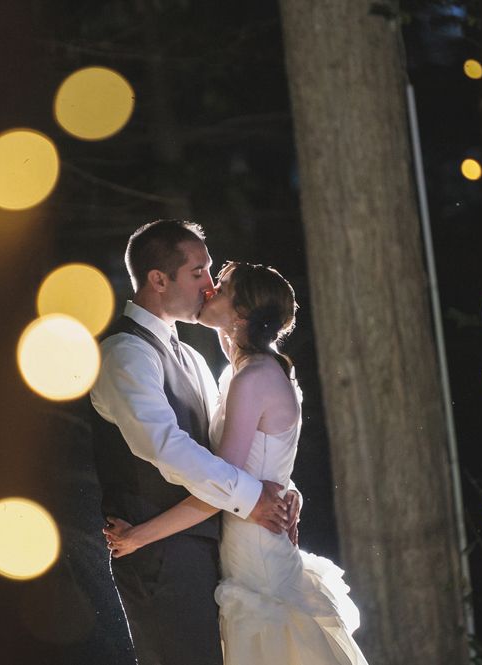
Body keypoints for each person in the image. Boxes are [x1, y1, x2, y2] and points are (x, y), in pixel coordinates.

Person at [104, 261, 369, 665]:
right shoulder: (243, 371)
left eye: (222, 288)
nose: (209, 289)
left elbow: (223, 485)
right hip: (242, 551)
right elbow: (250, 469)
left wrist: (139, 536)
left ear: (242, 313)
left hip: (255, 560)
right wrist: (286, 488)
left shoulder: (252, 378)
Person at [89, 220, 302, 665]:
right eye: (199, 272)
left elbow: (229, 449)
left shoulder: (190, 358)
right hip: (162, 559)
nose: (208, 285)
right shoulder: (126, 354)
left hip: (210, 553)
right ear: (158, 279)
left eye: (211, 274)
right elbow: (168, 448)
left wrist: (280, 488)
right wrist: (253, 496)